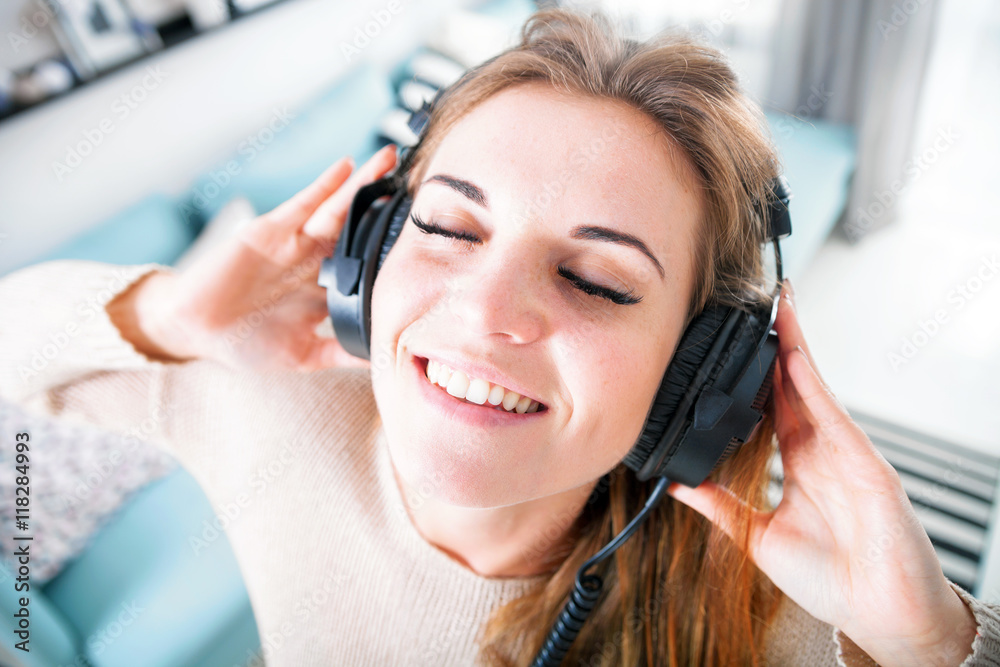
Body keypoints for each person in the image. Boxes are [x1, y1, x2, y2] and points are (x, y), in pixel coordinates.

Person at [2, 8, 998, 666]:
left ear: (699, 373)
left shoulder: (756, 621)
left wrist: (927, 640)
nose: (486, 313)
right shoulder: (266, 405)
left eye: (598, 278)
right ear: (369, 253)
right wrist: (163, 315)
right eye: (444, 226)